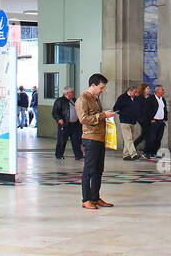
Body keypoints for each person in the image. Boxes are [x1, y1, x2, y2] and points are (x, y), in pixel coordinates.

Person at [76, 74, 115, 210]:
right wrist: (103, 115)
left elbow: (95, 116)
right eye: (101, 87)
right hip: (90, 138)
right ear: (93, 85)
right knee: (89, 170)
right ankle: (86, 199)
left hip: (99, 137)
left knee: (99, 170)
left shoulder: (96, 99)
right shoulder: (83, 99)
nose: (102, 90)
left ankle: (95, 197)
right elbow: (83, 119)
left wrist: (105, 115)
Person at [113, 83, 145, 161]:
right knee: (128, 138)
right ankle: (133, 154)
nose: (135, 93)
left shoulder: (135, 98)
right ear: (129, 91)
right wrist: (123, 113)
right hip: (125, 121)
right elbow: (115, 108)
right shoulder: (122, 97)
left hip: (133, 121)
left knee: (129, 139)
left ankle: (126, 155)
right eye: (134, 92)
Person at [52, 85, 83, 161]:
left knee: (76, 140)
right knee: (62, 140)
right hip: (65, 124)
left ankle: (78, 155)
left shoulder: (74, 100)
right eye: (72, 92)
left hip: (75, 124)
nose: (73, 94)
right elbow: (55, 112)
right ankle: (59, 154)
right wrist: (59, 119)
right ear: (67, 93)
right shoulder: (59, 101)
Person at [145, 85, 169, 159]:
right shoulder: (151, 99)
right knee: (151, 138)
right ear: (157, 91)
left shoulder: (162, 99)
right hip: (153, 121)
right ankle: (147, 152)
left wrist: (165, 118)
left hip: (161, 121)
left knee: (158, 138)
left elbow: (164, 109)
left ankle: (154, 152)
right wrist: (150, 119)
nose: (163, 91)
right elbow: (147, 110)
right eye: (162, 90)